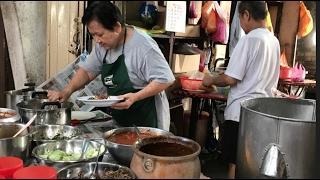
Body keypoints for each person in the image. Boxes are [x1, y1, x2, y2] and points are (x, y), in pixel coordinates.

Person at [47, 1, 175, 131]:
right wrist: (67, 91)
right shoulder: (102, 46)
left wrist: (135, 97)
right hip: (121, 120)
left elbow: (165, 79)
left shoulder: (143, 47)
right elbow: (87, 71)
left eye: (100, 34)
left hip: (147, 122)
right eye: (93, 35)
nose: (97, 40)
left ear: (117, 27)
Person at [202, 1, 280, 179]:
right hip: (262, 113)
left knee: (235, 165)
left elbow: (230, 78)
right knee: (253, 164)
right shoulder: (273, 41)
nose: (241, 25)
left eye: (239, 18)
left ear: (246, 15)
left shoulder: (250, 39)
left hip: (240, 114)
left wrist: (210, 79)